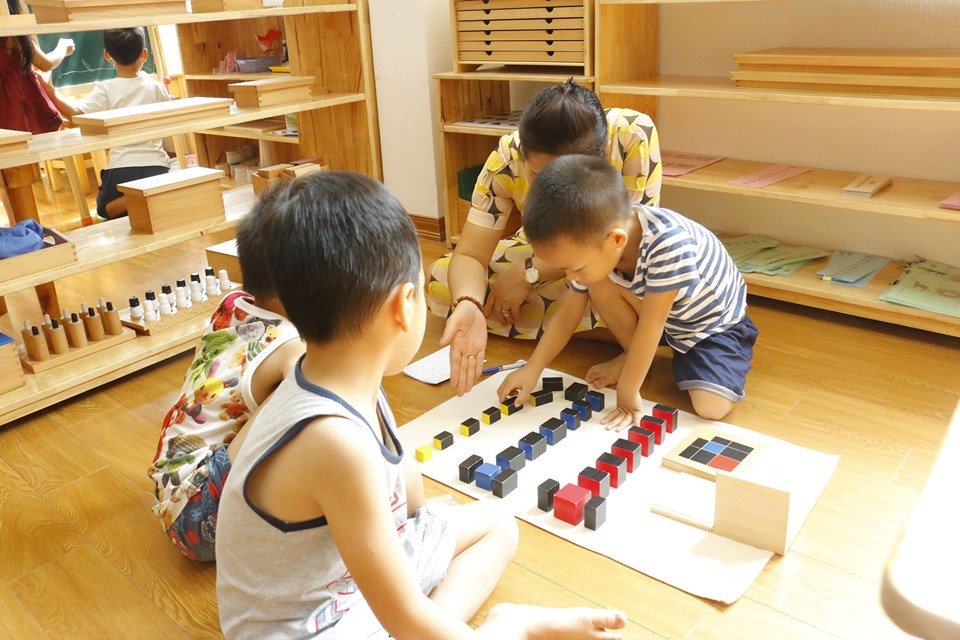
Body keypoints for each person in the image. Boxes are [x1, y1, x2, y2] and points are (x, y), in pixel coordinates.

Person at [215, 171, 627, 640]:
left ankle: (484, 623)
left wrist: (423, 517)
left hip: (346, 583)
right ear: (404, 305)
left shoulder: (346, 378)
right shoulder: (334, 441)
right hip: (307, 627)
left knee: (497, 523)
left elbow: (404, 485)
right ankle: (507, 630)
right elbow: (405, 617)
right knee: (419, 616)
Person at [429, 80, 662, 396]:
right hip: (548, 254)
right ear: (523, 154)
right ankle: (615, 330)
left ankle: (617, 332)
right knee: (442, 279)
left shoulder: (632, 136)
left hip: (608, 261)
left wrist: (529, 273)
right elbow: (470, 254)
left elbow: (621, 248)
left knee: (603, 281)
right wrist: (468, 303)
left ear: (602, 156)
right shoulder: (507, 154)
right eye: (538, 177)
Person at [497, 156, 758, 425]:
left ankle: (664, 357)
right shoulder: (600, 239)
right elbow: (567, 314)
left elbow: (652, 324)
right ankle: (635, 355)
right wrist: (532, 368)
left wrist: (628, 391)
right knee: (597, 281)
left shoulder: (668, 245)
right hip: (663, 317)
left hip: (711, 326)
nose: (570, 276)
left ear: (616, 240)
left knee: (710, 407)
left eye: (574, 268)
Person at [149, 184, 303, 561]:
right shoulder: (290, 347)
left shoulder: (232, 303)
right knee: (303, 395)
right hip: (200, 521)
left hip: (171, 488)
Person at [55, 27, 171, 219]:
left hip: (122, 166)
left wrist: (50, 90)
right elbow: (169, 112)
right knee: (157, 200)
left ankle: (138, 197)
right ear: (144, 54)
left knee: (104, 209)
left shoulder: (106, 89)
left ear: (107, 55)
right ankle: (153, 194)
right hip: (157, 165)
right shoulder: (155, 86)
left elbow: (76, 115)